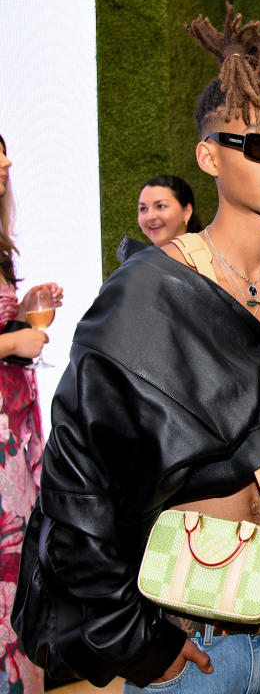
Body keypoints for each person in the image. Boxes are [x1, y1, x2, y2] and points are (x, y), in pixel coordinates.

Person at [13, 4, 260, 694]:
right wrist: (133, 642)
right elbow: (77, 487)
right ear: (209, 156)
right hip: (188, 644)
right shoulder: (145, 294)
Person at [0, 133, 62, 694]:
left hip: (15, 435)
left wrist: (22, 313)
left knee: (23, 568)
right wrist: (13, 344)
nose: (6, 160)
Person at [137, 174, 204, 246]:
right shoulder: (138, 256)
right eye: (143, 208)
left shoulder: (210, 255)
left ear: (187, 212)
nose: (150, 216)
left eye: (161, 206)